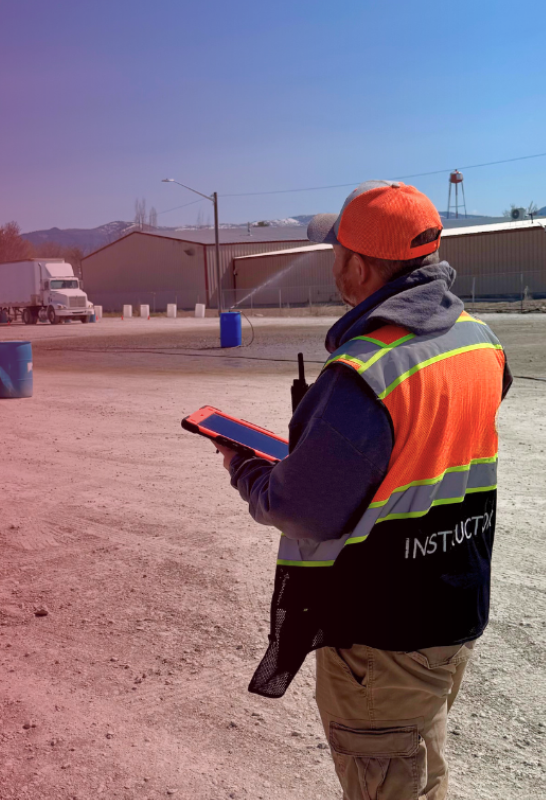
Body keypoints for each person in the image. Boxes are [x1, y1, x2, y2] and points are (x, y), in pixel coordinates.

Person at [215, 181, 511, 800]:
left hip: (384, 634)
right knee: (419, 773)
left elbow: (301, 508)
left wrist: (246, 468)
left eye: (337, 251)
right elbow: (429, 440)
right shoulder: (480, 341)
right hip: (453, 609)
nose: (333, 264)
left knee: (392, 783)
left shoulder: (367, 369)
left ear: (357, 263)